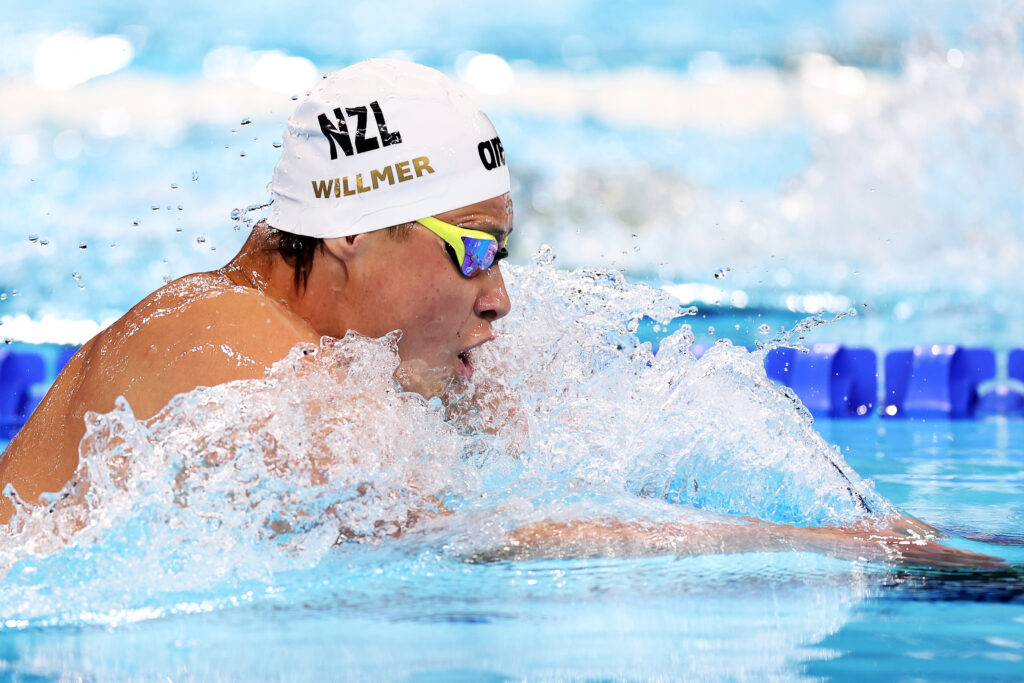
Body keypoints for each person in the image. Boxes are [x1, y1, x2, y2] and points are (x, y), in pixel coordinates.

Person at [0, 60, 1003, 569]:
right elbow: (465, 538)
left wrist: (915, 528)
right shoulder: (231, 342)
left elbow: (551, 471)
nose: (498, 295)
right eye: (472, 248)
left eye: (504, 251)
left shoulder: (342, 348)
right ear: (352, 229)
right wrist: (815, 551)